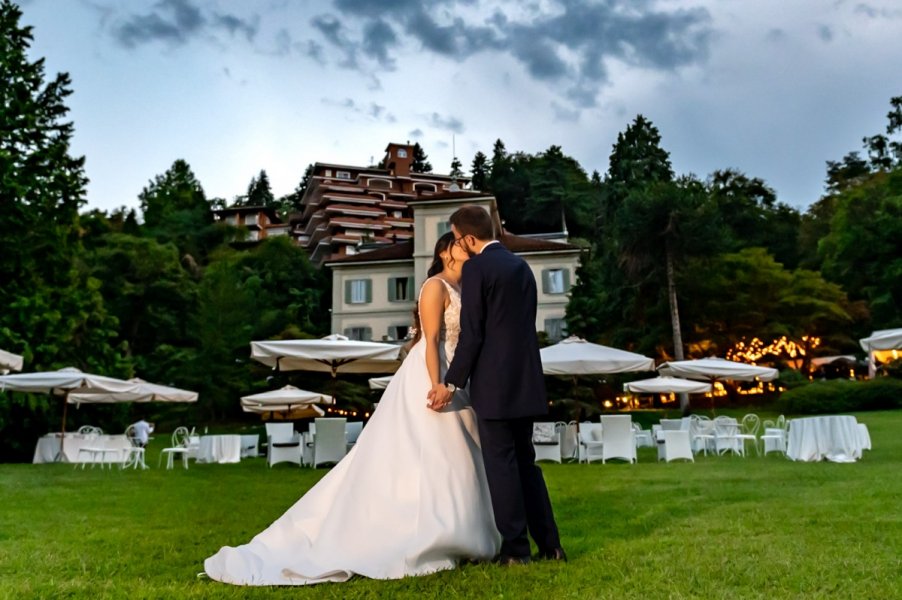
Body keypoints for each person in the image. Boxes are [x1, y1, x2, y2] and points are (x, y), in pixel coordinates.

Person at [202, 232, 499, 586]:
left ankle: (461, 533)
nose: (467, 250)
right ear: (445, 252)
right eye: (460, 245)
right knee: (429, 451)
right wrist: (438, 384)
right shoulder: (435, 286)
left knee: (458, 452)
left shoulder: (467, 289)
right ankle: (426, 535)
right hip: (432, 372)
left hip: (455, 375)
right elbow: (431, 340)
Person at [428, 204, 566, 565]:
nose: (459, 246)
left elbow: (473, 334)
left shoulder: (477, 269)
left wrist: (451, 382)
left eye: (458, 239)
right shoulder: (522, 267)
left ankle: (516, 551)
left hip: (495, 385)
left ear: (469, 238)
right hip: (527, 382)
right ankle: (552, 546)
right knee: (527, 465)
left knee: (502, 468)